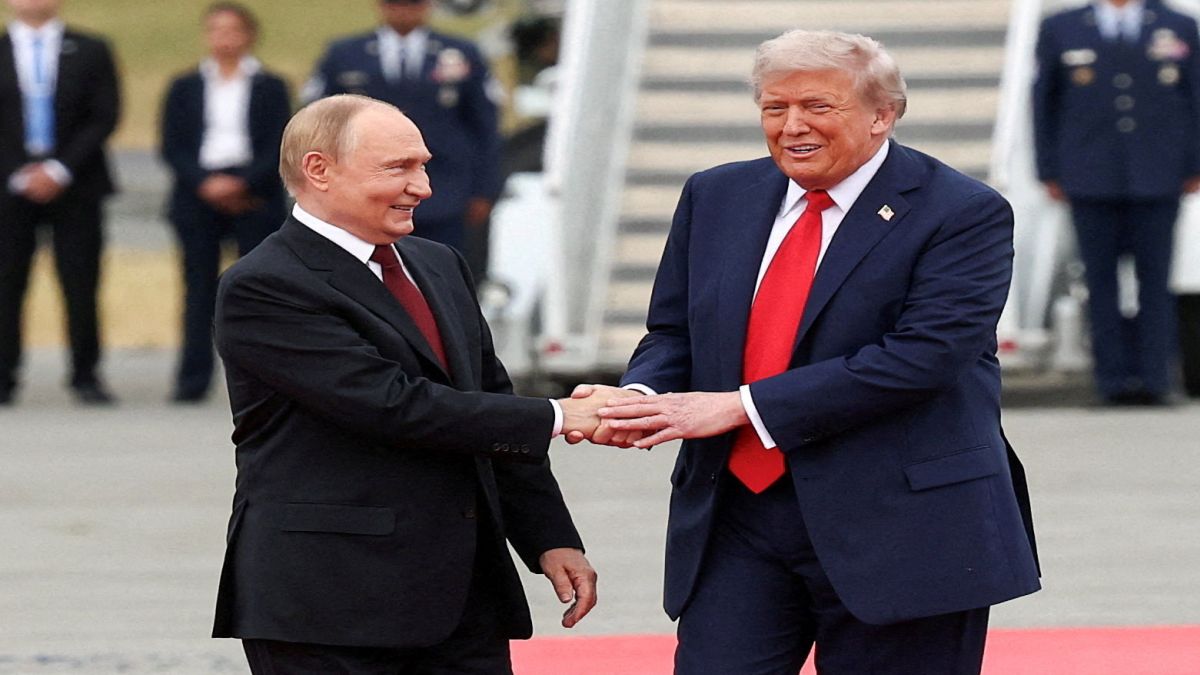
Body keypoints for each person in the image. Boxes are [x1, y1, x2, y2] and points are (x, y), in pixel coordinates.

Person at [572, 29, 1040, 674]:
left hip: (901, 523)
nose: (792, 126)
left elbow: (923, 357)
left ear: (882, 115)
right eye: (774, 108)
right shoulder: (716, 196)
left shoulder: (961, 211)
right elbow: (676, 331)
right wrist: (644, 397)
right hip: (738, 515)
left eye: (818, 107)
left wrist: (739, 407)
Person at [212, 94, 600, 674]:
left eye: (423, 165)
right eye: (398, 168)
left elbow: (490, 403)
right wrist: (563, 416)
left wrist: (548, 535)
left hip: (464, 598)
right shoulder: (264, 285)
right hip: (330, 605)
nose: (423, 187)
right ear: (319, 170)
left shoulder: (437, 263)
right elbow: (391, 406)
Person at [1032, 0, 1200, 405]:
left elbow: (1194, 97)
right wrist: (1049, 169)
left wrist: (1194, 163)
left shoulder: (1177, 24)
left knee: (1155, 282)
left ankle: (1157, 379)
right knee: (1099, 282)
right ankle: (1110, 380)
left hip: (1159, 174)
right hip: (1089, 176)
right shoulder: (1062, 26)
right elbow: (1044, 101)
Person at [305, 0, 502, 282]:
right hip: (366, 190)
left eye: (413, 3)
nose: (404, 10)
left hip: (444, 190)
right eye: (395, 3)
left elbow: (485, 126)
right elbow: (320, 123)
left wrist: (485, 189)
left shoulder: (461, 53)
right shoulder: (345, 54)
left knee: (441, 278)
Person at [159, 2, 291, 403]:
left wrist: (242, 183)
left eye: (232, 30)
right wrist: (206, 183)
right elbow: (173, 145)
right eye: (216, 30)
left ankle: (265, 379)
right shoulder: (184, 86)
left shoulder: (271, 85)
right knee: (197, 289)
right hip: (198, 195)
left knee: (259, 291)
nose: (224, 38)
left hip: (254, 195)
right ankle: (192, 379)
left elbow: (278, 142)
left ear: (249, 35)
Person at [0, 0, 120, 405]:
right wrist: (18, 170)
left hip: (75, 183)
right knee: (7, 282)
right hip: (8, 187)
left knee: (81, 281)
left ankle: (86, 374)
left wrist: (59, 169)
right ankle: (4, 374)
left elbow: (104, 114)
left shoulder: (90, 48)